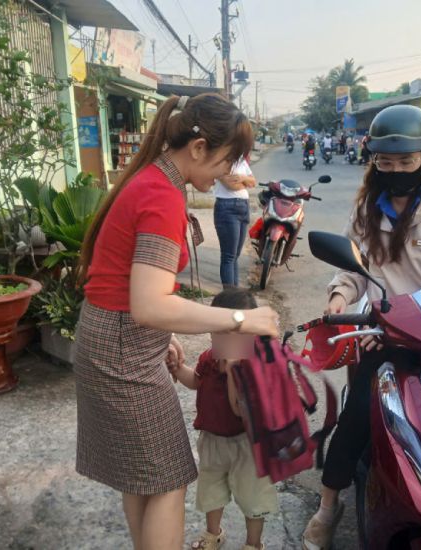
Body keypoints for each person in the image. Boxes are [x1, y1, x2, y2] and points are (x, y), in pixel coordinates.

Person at [74, 93, 279, 550]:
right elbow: (150, 305)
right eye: (226, 161)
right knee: (168, 478)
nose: (228, 174)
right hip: (123, 350)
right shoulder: (162, 196)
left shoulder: (150, 181)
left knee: (141, 476)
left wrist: (159, 335)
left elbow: (142, 294)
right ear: (200, 147)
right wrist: (241, 318)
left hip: (112, 340)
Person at [301, 105, 421, 549]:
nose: (395, 169)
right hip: (381, 335)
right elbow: (352, 267)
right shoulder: (366, 207)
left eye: (405, 161)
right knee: (357, 416)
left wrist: (416, 317)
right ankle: (328, 505)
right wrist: (339, 297)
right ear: (374, 159)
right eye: (386, 161)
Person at [169, 288, 278, 550]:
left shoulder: (252, 366)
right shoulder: (209, 357)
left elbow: (240, 409)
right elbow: (196, 381)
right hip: (212, 439)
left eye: (232, 336)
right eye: (216, 332)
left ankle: (253, 544)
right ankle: (213, 534)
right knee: (211, 491)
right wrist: (176, 368)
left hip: (247, 446)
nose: (221, 341)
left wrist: (232, 373)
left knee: (253, 498)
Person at [214, 154, 256, 288]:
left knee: (235, 256)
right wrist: (245, 183)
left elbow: (253, 182)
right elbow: (232, 186)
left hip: (243, 207)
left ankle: (234, 293)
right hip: (227, 208)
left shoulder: (241, 161)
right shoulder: (221, 159)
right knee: (229, 256)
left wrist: (242, 178)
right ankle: (229, 298)